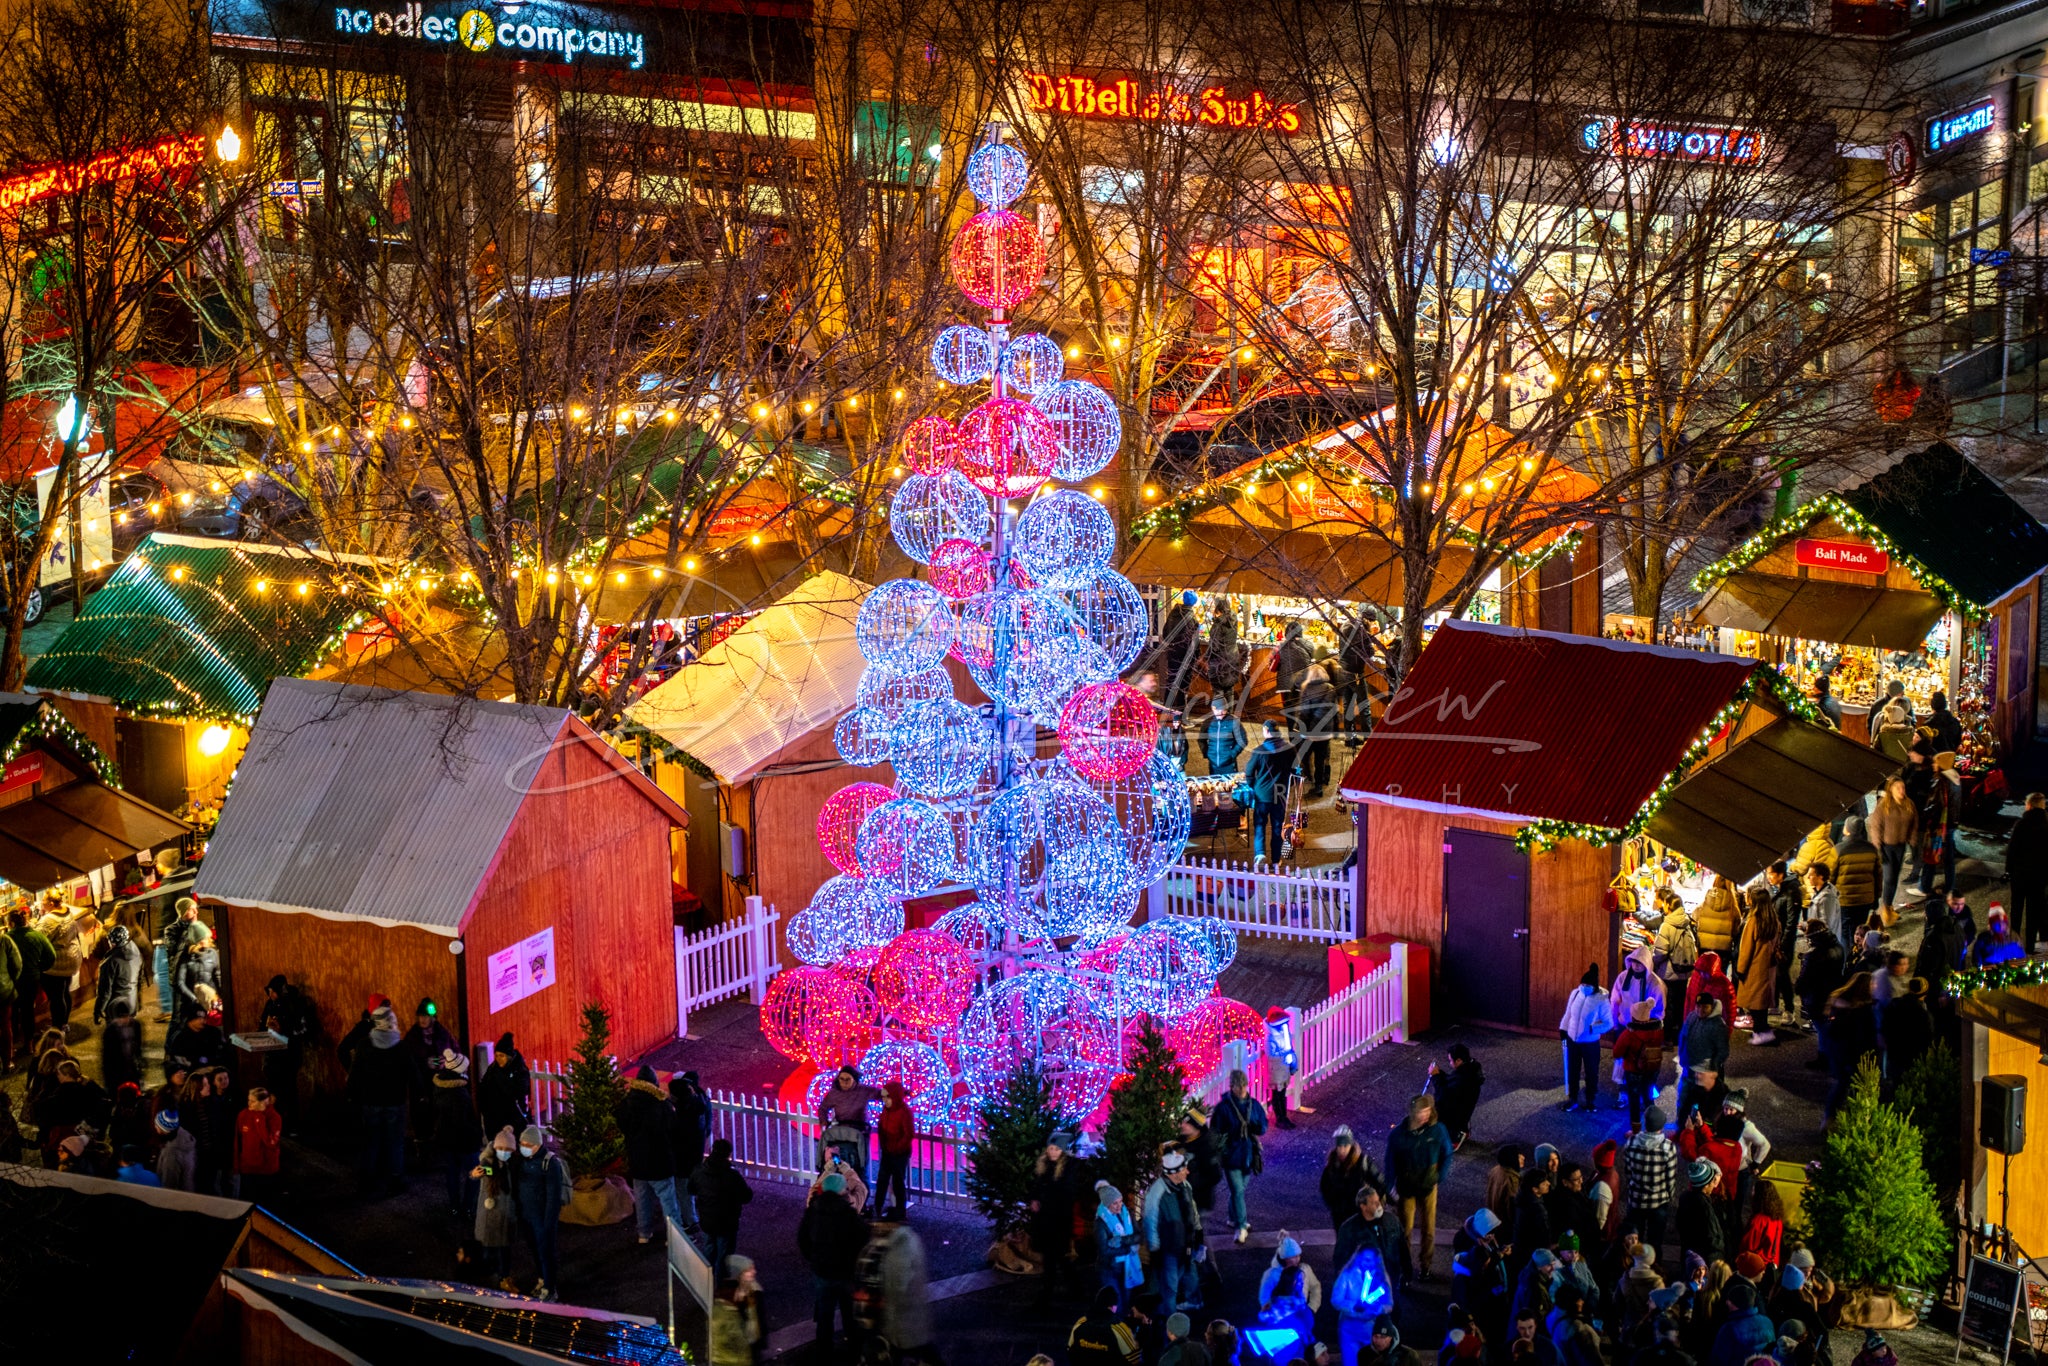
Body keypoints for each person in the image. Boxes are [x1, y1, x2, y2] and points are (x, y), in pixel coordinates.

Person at [800, 1169, 869, 1356]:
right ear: (842, 1191)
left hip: (822, 1271)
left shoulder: (813, 1210)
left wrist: (815, 1258)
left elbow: (803, 1240)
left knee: (824, 1313)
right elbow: (863, 1239)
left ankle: (824, 1352)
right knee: (849, 1314)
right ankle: (854, 1351)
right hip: (846, 1273)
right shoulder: (849, 1213)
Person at [1386, 1092, 1452, 1279]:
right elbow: (1390, 1163)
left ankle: (1426, 1266)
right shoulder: (1398, 1135)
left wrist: (1440, 1176)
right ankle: (1405, 1269)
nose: (1425, 1115)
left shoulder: (1438, 1130)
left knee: (1428, 1229)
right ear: (1413, 1112)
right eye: (1421, 1111)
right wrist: (1389, 1188)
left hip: (1428, 1187)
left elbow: (1447, 1152)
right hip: (1406, 1187)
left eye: (1428, 1111)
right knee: (1404, 1231)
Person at [348, 1000, 411, 1195]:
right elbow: (412, 1072)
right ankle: (395, 1180)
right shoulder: (400, 1047)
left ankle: (367, 1181)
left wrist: (351, 1094)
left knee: (371, 1142)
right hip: (395, 1101)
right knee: (395, 1142)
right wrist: (421, 1094)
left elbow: (355, 1073)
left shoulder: (364, 1045)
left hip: (370, 1102)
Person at [621, 1064, 682, 1245]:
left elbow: (623, 1124)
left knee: (641, 1199)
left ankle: (644, 1233)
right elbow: (672, 1129)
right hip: (660, 1161)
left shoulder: (627, 1102)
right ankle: (674, 1237)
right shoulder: (661, 1105)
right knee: (668, 1200)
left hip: (637, 1161)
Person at [512, 1125, 570, 1300]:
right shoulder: (522, 1160)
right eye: (521, 1143)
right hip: (527, 1216)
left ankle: (550, 1288)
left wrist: (548, 1223)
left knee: (546, 1252)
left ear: (537, 1145)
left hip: (542, 1218)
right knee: (535, 1250)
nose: (524, 1147)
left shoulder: (549, 1163)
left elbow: (553, 1197)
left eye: (527, 1144)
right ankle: (541, 1279)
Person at [869, 1217, 937, 1364]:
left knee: (913, 1351)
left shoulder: (899, 1245)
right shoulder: (908, 1239)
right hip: (910, 1318)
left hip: (903, 1319)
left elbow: (899, 1283)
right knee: (921, 1352)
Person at [1144, 1150, 1203, 1315]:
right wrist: (1155, 1248)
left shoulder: (1185, 1185)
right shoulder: (1156, 1193)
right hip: (1169, 1248)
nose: (1188, 1171)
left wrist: (1198, 1231)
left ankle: (1193, 1301)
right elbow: (1151, 1221)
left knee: (1189, 1273)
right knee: (1170, 1285)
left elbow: (1193, 1210)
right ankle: (1169, 1320)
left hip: (1186, 1242)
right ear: (1174, 1173)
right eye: (1185, 1169)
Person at [1214, 1069, 1267, 1242]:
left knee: (1239, 1190)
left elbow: (1263, 1126)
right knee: (1237, 1190)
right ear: (1232, 1086)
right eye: (1239, 1085)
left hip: (1247, 1154)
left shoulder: (1253, 1105)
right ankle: (1241, 1226)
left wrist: (1256, 1127)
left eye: (1244, 1084)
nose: (1243, 1088)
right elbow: (1216, 1131)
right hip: (1232, 1155)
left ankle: (1232, 1217)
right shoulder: (1224, 1108)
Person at [428, 1049, 481, 1220]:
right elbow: (464, 1123)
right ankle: (467, 1208)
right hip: (464, 1142)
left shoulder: (439, 1087)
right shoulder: (460, 1094)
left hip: (446, 1139)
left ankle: (454, 1208)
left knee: (452, 1174)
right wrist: (477, 1136)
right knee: (475, 1173)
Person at [1029, 1130, 1081, 1298]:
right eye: (1051, 1149)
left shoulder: (1068, 1169)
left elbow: (1067, 1195)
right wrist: (1035, 1199)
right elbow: (1036, 1187)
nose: (1053, 1152)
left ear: (1063, 1151)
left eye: (1056, 1149)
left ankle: (1049, 1292)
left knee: (1055, 1256)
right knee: (1055, 1256)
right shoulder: (1044, 1166)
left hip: (1059, 1221)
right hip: (1045, 1221)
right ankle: (1070, 1287)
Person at [1819, 974, 1878, 1120]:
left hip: (1837, 1050)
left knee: (1842, 1083)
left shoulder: (1840, 1004)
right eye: (1872, 985)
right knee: (1855, 1086)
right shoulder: (1862, 1010)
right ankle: (1853, 1120)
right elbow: (1864, 1036)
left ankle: (1829, 1118)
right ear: (1864, 987)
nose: (1875, 987)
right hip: (1852, 1053)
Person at [692, 1137, 754, 1275]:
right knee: (724, 1255)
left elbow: (691, 1189)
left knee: (709, 1248)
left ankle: (705, 1280)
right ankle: (721, 1285)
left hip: (707, 1219)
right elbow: (747, 1196)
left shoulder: (699, 1171)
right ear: (728, 1155)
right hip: (727, 1222)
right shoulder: (732, 1176)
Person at [1336, 1182, 1411, 1295]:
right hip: (1365, 1286)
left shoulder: (1392, 1221)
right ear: (1363, 1206)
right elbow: (1341, 1259)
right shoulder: (1349, 1229)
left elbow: (1402, 1247)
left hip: (1391, 1279)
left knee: (1393, 1308)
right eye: (1374, 1203)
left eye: (1378, 1201)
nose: (1379, 1205)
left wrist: (1407, 1271)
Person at [1450, 1207, 1512, 1344]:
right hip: (1480, 1300)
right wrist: (1498, 1256)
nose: (1492, 1236)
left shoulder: (1483, 1238)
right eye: (1489, 1233)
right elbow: (1480, 1270)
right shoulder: (1466, 1244)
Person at [1559, 964, 1615, 1112]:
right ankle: (1573, 1098)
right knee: (1573, 1070)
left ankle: (1590, 1100)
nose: (1584, 987)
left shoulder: (1601, 1000)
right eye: (1582, 983)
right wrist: (1563, 1029)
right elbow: (1569, 1014)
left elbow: (1609, 1022)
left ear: (1594, 985)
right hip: (1573, 1040)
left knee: (1591, 1072)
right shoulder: (1576, 993)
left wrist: (1593, 1029)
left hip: (1590, 1043)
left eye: (1587, 984)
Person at [1256, 1233, 1321, 1357]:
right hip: (1287, 1331)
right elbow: (1264, 1297)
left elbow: (1315, 1287)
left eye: (1298, 1256)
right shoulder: (1271, 1275)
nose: (1297, 1259)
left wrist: (1313, 1307)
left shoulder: (1304, 1269)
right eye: (1293, 1257)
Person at [1624, 1107, 1679, 1251]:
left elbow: (1628, 1172)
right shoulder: (1667, 1147)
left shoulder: (1632, 1142)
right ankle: (1655, 1267)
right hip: (1658, 1201)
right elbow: (1671, 1177)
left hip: (1636, 1200)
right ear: (1661, 1126)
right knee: (1656, 1240)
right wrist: (1669, 1195)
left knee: (1636, 1241)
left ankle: (1636, 1269)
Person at [474, 1127, 519, 1290]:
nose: (504, 1152)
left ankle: (504, 1278)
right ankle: (489, 1280)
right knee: (489, 1251)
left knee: (503, 1250)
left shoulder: (512, 1164)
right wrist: (475, 1173)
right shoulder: (489, 1163)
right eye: (501, 1148)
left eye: (508, 1150)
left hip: (505, 1215)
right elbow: (482, 1171)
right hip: (491, 1216)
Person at [817, 1064, 881, 1179]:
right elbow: (823, 1108)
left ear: (854, 1079)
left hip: (859, 1129)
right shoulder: (834, 1094)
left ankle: (860, 1177)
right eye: (842, 1079)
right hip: (841, 1129)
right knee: (840, 1155)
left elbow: (880, 1094)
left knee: (860, 1158)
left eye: (848, 1080)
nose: (844, 1082)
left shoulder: (863, 1091)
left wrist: (897, 1093)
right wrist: (823, 1121)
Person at [1244, 723, 1296, 863]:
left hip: (1262, 795)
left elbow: (1249, 772)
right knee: (1277, 826)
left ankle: (1260, 853)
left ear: (1266, 731)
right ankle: (1276, 859)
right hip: (1280, 794)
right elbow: (1294, 770)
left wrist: (1253, 786)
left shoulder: (1259, 751)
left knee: (1260, 824)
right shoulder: (1290, 749)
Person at [1734, 889, 1780, 1045]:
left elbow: (1746, 948)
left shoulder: (1753, 921)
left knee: (1754, 1001)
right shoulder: (1774, 920)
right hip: (1768, 967)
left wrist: (1740, 969)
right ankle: (1762, 1031)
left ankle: (1762, 1032)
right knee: (1762, 1002)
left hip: (1753, 967)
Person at [670, 1070, 712, 1231]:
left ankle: (689, 1219)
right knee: (690, 1185)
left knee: (683, 1188)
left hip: (682, 1158)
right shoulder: (700, 1103)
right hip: (694, 1154)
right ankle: (691, 1214)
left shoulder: (682, 1113)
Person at [1871, 779, 1919, 920]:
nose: (1901, 790)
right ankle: (1885, 909)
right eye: (1897, 787)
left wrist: (1913, 842)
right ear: (1890, 789)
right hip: (1886, 847)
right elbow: (1876, 827)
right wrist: (1878, 847)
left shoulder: (1909, 804)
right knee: (1889, 877)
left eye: (1902, 787)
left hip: (1900, 846)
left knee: (1894, 877)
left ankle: (1889, 906)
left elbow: (1914, 824)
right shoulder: (1884, 805)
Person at [1615, 1000, 1666, 1132]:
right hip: (1652, 1069)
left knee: (1634, 1099)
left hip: (1633, 1070)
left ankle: (1636, 1130)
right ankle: (1653, 1128)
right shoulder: (1658, 1030)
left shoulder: (1629, 1034)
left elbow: (1617, 1052)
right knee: (1648, 1097)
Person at [7, 908, 53, 1053]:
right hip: (31, 979)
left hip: (12, 981)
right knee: (28, 1011)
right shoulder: (36, 936)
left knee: (13, 1013)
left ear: (11, 923)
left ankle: (12, 1045)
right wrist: (40, 968)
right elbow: (51, 956)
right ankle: (29, 1043)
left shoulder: (7, 938)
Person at [1321, 1125, 1384, 1229]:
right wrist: (1335, 1206)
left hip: (1360, 1213)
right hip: (1340, 1215)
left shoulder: (1363, 1162)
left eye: (1345, 1146)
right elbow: (1325, 1187)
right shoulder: (1332, 1164)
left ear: (1351, 1145)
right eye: (1339, 1146)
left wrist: (1371, 1203)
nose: (1342, 1150)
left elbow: (1379, 1182)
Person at [709, 1255, 768, 1366]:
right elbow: (721, 1338)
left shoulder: (755, 1291)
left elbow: (760, 1320)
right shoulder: (725, 1301)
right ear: (739, 1274)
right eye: (749, 1270)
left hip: (749, 1351)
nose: (754, 1272)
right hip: (731, 1359)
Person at [1068, 1285, 1143, 1366]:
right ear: (1114, 1307)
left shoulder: (1080, 1322)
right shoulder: (1118, 1327)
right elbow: (1135, 1359)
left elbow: (1069, 1350)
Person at [1094, 1181, 1141, 1311]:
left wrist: (1122, 1240)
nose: (1119, 1205)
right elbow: (1104, 1250)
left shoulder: (1127, 1214)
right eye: (1115, 1203)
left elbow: (1139, 1235)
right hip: (1109, 1268)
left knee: (1126, 1302)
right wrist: (1127, 1249)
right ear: (1107, 1204)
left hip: (1127, 1267)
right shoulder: (1100, 1223)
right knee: (1116, 1304)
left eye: (1120, 1201)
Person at [1429, 1044, 1485, 1150]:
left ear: (1458, 1061)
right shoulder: (1471, 1068)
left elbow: (1443, 1095)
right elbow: (1451, 1082)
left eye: (1450, 1060)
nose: (1450, 1063)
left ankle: (1454, 1137)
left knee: (1435, 1110)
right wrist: (1439, 1073)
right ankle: (1461, 1131)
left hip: (1455, 1113)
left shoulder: (1463, 1078)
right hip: (1464, 1107)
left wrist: (1436, 1076)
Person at [235, 1087, 283, 1204]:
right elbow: (238, 1140)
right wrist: (237, 1163)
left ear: (263, 1102)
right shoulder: (243, 1115)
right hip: (247, 1168)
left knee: (266, 1203)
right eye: (248, 1100)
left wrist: (259, 1118)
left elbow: (270, 1142)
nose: (249, 1103)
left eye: (253, 1101)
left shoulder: (274, 1118)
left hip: (266, 1169)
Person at [1295, 662, 1338, 795]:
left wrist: (1300, 727)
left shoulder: (1306, 688)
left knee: (1305, 755)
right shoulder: (1331, 688)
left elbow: (1305, 711)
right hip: (1325, 731)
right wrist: (1335, 728)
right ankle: (1319, 785)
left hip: (1310, 731)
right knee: (1321, 758)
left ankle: (1309, 775)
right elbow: (1335, 711)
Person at [1795, 918, 1845, 1030]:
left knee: (1821, 1026)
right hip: (1833, 989)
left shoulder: (1813, 955)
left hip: (1816, 996)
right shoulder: (1838, 946)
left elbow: (1805, 978)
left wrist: (1798, 988)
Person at [478, 1033, 532, 1137]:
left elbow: (519, 1093)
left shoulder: (519, 1071)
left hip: (512, 1119)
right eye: (497, 1056)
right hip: (493, 1118)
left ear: (509, 1056)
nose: (499, 1059)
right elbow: (484, 1087)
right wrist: (485, 1109)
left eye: (502, 1056)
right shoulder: (492, 1069)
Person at [1833, 818, 1881, 932]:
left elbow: (1831, 877)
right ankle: (1859, 949)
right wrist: (1876, 897)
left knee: (1844, 930)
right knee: (1860, 929)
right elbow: (1878, 876)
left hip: (1844, 899)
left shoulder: (1838, 849)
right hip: (1866, 899)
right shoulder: (1871, 849)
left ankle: (1848, 949)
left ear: (1848, 830)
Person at [94, 924, 143, 1032]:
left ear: (112, 942)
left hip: (115, 1007)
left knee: (116, 1038)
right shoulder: (136, 953)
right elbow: (139, 980)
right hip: (131, 1003)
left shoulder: (109, 962)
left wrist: (98, 1011)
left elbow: (105, 991)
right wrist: (138, 1001)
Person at [171, 923, 220, 1028]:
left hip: (209, 1002)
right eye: (204, 938)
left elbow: (217, 976)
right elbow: (180, 982)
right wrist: (194, 999)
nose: (207, 940)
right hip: (191, 1004)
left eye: (208, 938)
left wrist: (219, 997)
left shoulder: (213, 954)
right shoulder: (186, 957)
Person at [1676, 1160, 1724, 1266]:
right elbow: (1712, 1236)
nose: (1713, 1185)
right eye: (1712, 1182)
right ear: (1705, 1185)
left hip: (1689, 1252)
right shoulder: (1704, 1206)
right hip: (1705, 1257)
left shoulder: (1685, 1197)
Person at [1678, 996, 1729, 1091]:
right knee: (1684, 1099)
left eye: (1705, 1007)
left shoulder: (1718, 1024)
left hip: (1705, 1072)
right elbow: (1683, 1037)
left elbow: (1722, 1050)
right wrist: (1682, 1057)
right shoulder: (1692, 1016)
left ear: (1712, 1007)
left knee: (1705, 1102)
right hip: (1689, 1068)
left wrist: (1712, 1070)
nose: (1700, 1010)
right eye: (1698, 1006)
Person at [1612, 947, 1666, 1032]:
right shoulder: (1623, 977)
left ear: (1646, 964)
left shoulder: (1655, 983)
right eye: (1634, 961)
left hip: (1643, 1029)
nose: (1636, 965)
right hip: (1623, 1023)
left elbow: (1659, 1009)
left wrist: (1647, 1024)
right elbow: (1615, 1000)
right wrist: (1615, 1022)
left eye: (1640, 963)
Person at [100, 996, 144, 1093]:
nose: (124, 1020)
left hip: (132, 1068)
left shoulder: (136, 1025)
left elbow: (138, 1047)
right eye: (120, 1017)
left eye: (125, 1016)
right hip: (117, 1070)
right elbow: (106, 1057)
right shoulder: (110, 1031)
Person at [1202, 699, 1248, 778]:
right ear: (1213, 709)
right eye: (1218, 710)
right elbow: (1201, 739)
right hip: (1213, 764)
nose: (1221, 713)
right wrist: (1207, 753)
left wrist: (1232, 754)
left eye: (1224, 710)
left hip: (1229, 764)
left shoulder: (1234, 721)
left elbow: (1243, 740)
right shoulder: (1208, 722)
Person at [156, 1107, 198, 1191]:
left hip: (176, 1199)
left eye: (156, 1124)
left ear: (163, 1129)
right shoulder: (185, 1139)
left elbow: (169, 1184)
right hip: (188, 1192)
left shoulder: (172, 1153)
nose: (155, 1126)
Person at [1695, 877, 1739, 956]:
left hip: (1704, 946)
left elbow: (1695, 918)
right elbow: (1736, 931)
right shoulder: (1733, 907)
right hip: (1723, 949)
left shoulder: (1705, 903)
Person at [1804, 865, 1841, 945]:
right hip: (1818, 941)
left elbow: (1826, 924)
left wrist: (1808, 927)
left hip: (1824, 944)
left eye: (1811, 875)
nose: (1808, 877)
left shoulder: (1827, 898)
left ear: (1820, 876)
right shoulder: (1818, 893)